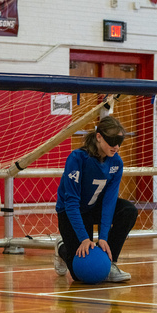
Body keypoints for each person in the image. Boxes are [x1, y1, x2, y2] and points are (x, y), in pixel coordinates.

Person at [54, 115, 138, 282]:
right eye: (112, 141)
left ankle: (110, 262)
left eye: (119, 142)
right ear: (99, 136)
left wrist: (104, 238)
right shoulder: (77, 159)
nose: (116, 147)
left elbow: (109, 202)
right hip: (72, 212)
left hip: (95, 207)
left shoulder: (116, 163)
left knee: (128, 211)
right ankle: (62, 248)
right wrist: (85, 238)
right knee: (80, 274)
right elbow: (71, 203)